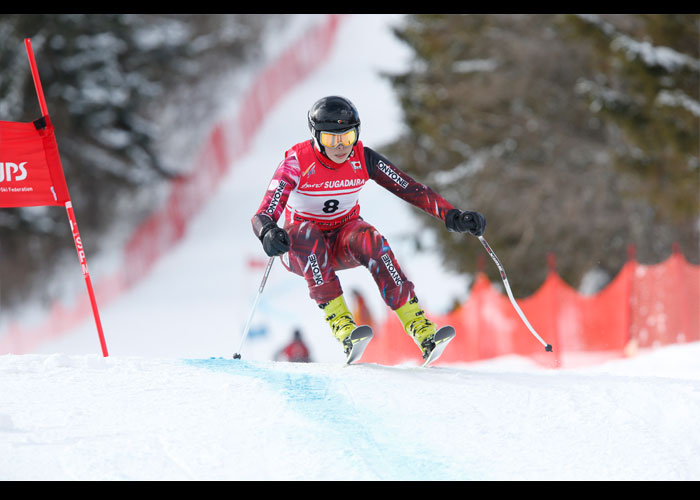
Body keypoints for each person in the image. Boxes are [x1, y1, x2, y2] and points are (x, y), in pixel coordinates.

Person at [251, 96, 485, 360]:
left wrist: (452, 214)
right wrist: (268, 232)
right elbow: (263, 213)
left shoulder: (363, 158)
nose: (341, 146)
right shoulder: (297, 162)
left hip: (342, 244)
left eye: (348, 136)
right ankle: (343, 326)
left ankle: (421, 330)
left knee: (370, 238)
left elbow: (409, 188)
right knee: (308, 233)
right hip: (301, 251)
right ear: (316, 137)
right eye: (331, 139)